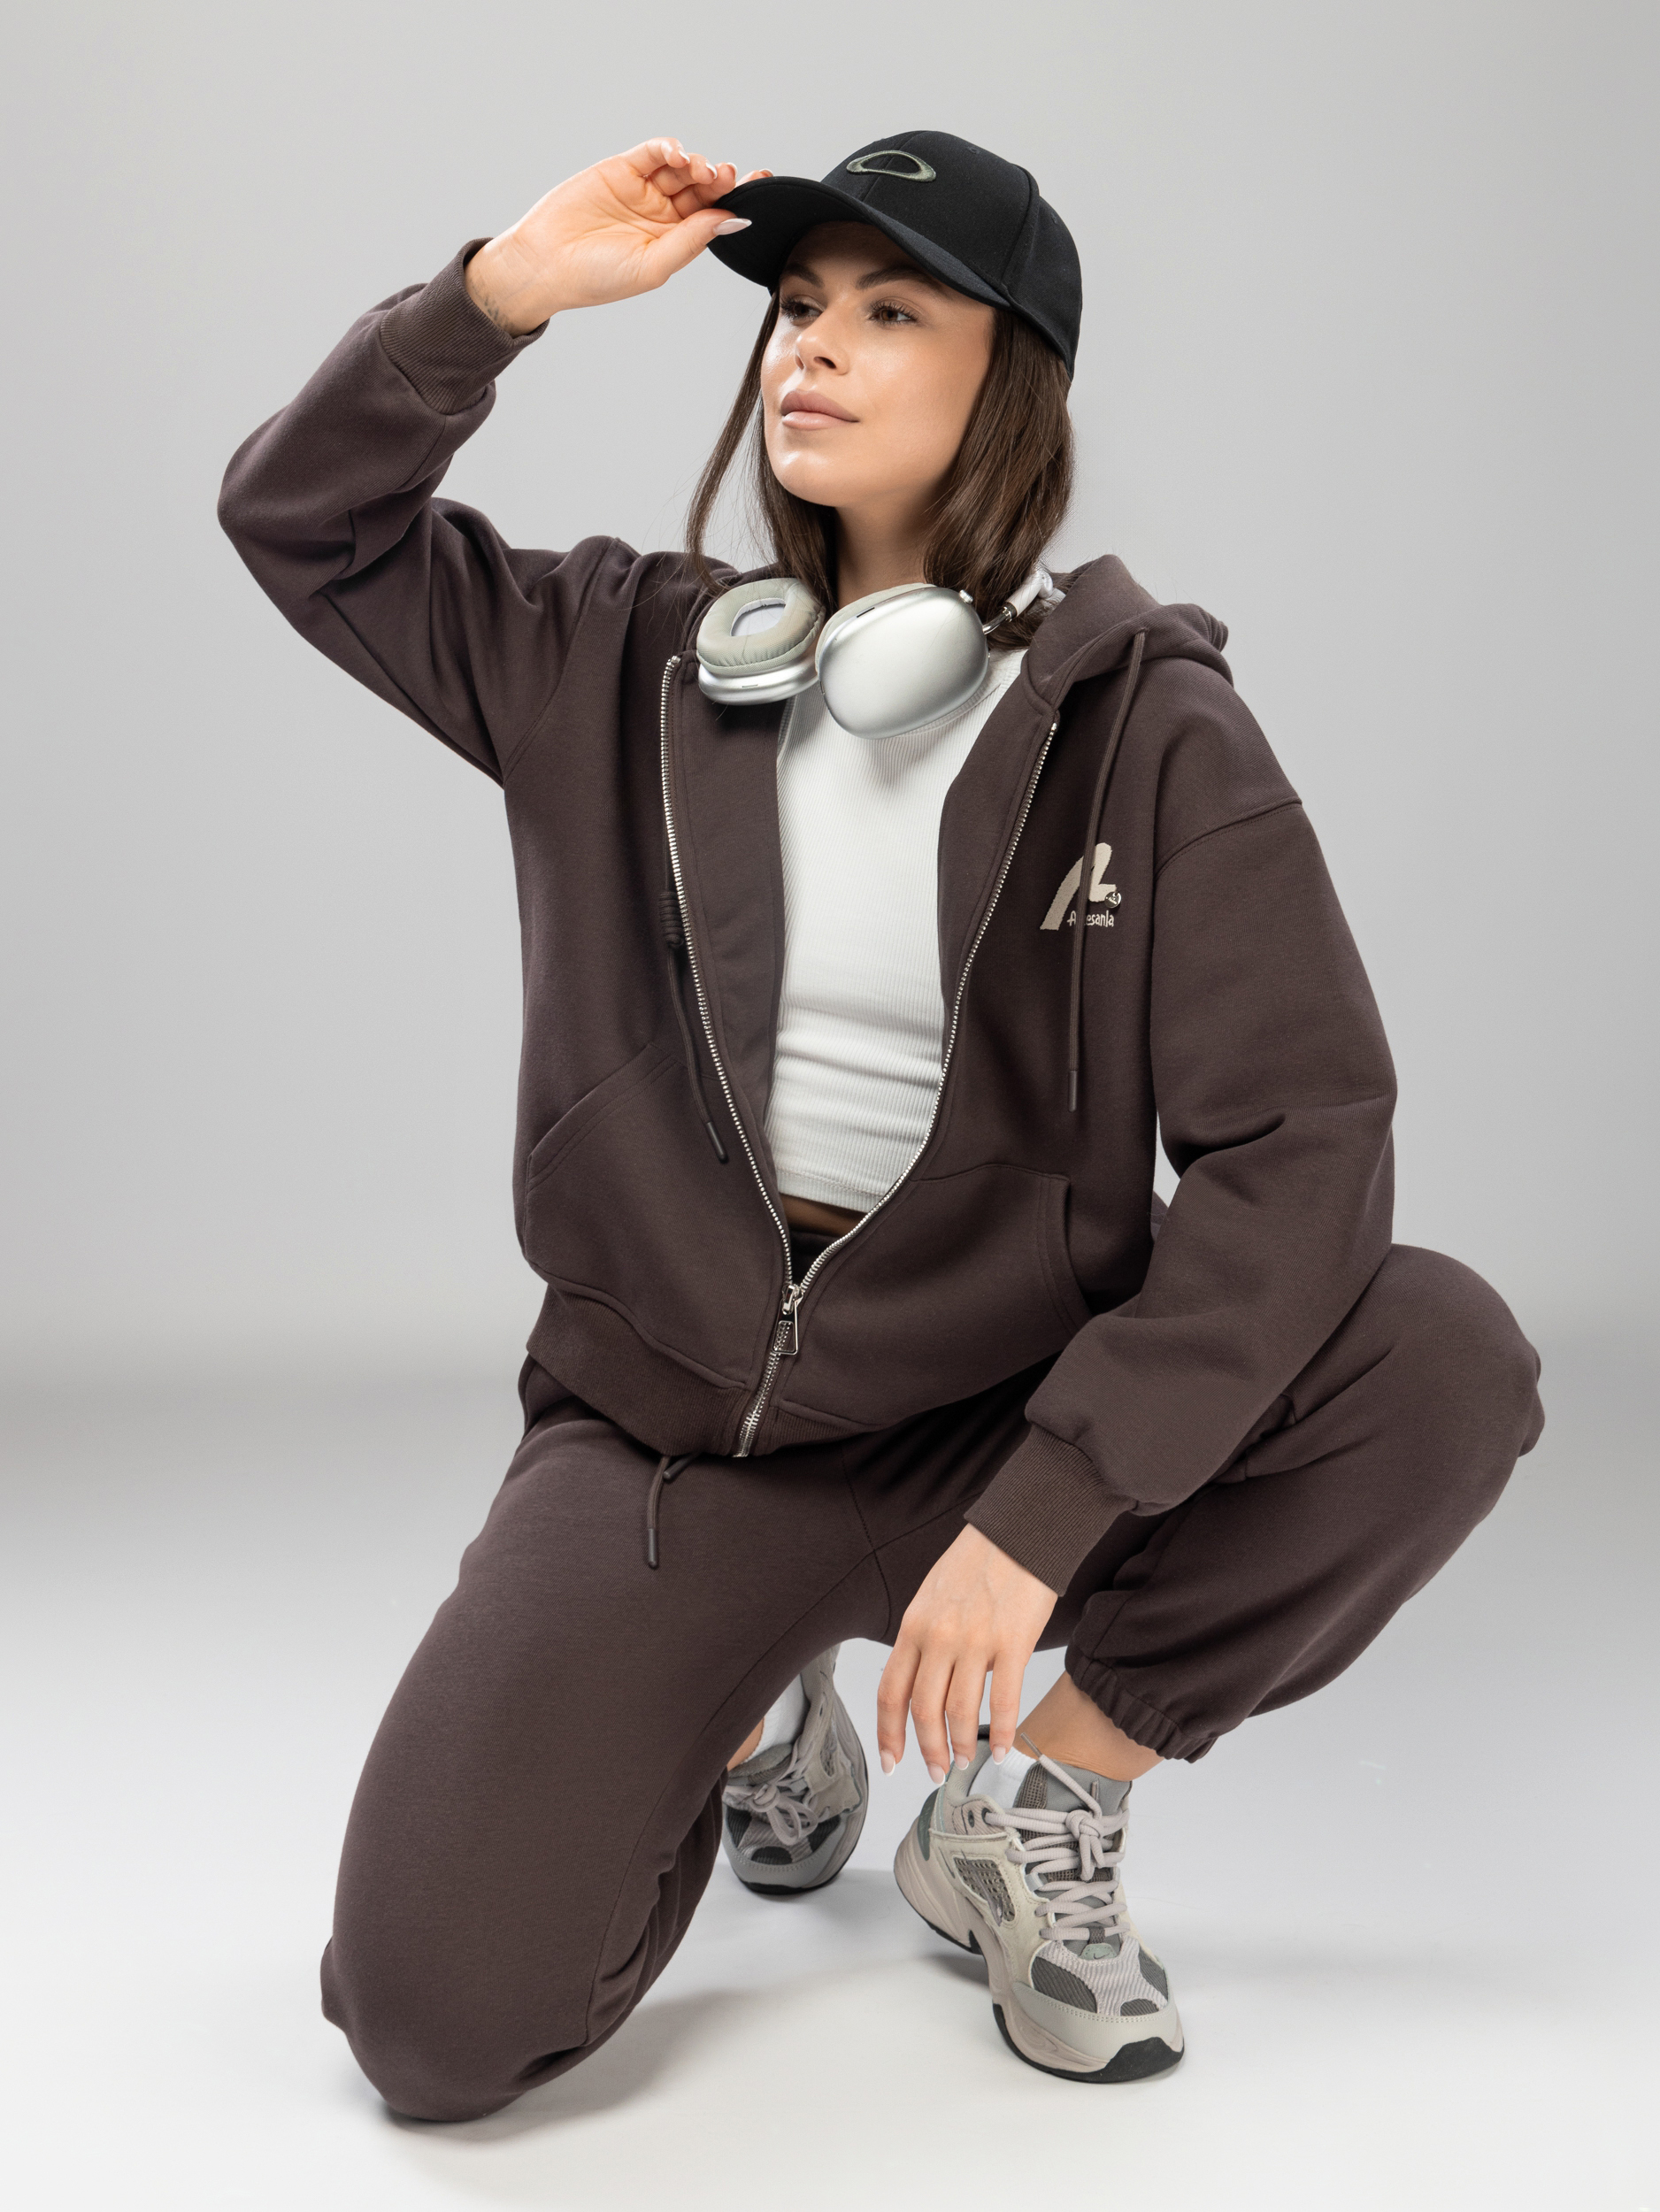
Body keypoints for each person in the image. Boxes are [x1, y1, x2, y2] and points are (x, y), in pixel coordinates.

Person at [219, 129, 1543, 2116]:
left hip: (999, 1422)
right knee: (430, 2025)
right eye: (794, 307)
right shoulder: (619, 660)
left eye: (890, 310)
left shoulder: (1147, 727)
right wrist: (496, 294)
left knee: (1440, 1355)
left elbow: (1304, 1135)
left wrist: (1048, 1509)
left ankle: (1038, 1810)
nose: (809, 349)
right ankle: (753, 1707)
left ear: (1011, 380)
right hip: (673, 1444)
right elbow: (301, 519)